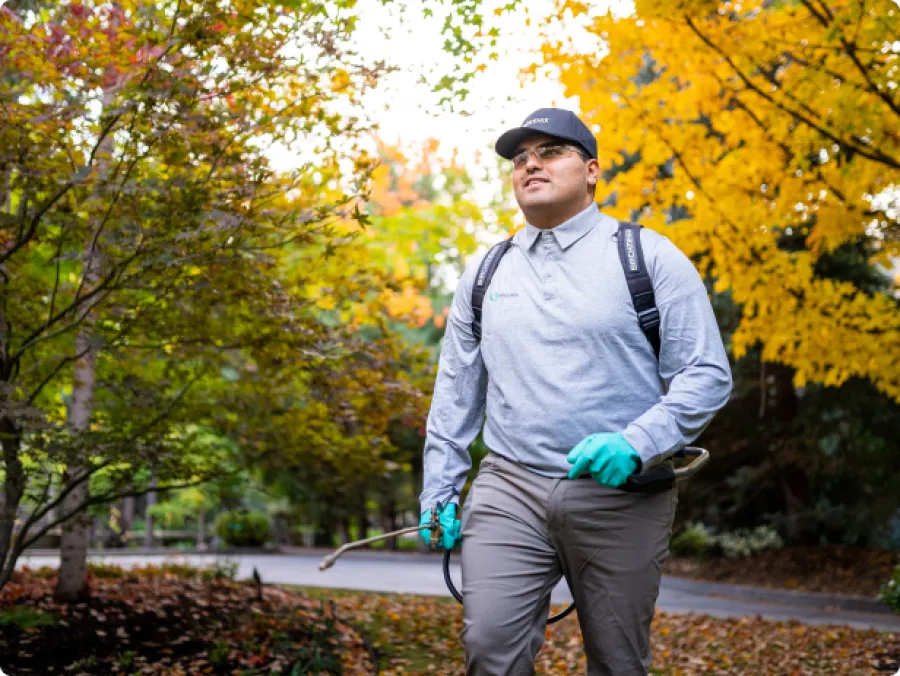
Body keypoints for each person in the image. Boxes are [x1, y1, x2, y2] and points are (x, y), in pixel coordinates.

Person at [418, 107, 733, 675]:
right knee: (489, 648)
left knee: (617, 662)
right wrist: (439, 489)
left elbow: (706, 373)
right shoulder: (486, 273)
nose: (530, 164)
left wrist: (637, 442)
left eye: (550, 152)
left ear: (591, 170)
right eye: (520, 158)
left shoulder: (648, 257)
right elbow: (456, 394)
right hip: (509, 488)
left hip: (621, 496)